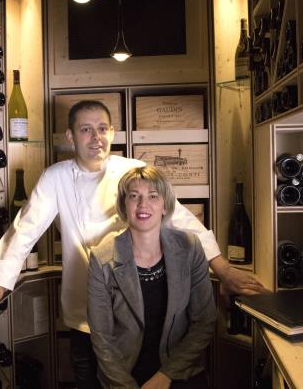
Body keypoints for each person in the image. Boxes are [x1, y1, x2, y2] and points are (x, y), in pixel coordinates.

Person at [0, 100, 264, 388]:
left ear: (112, 132)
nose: (96, 137)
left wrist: (224, 271)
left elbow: (180, 220)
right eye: (86, 129)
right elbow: (25, 231)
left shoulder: (131, 172)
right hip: (85, 318)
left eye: (102, 128)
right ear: (71, 137)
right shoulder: (56, 177)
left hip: (136, 312)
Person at [88, 166, 215, 388]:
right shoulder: (101, 259)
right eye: (134, 196)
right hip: (124, 375)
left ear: (165, 205)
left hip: (179, 371)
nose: (143, 205)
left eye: (153, 196)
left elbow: (204, 322)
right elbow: (102, 338)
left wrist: (165, 375)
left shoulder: (190, 248)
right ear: (124, 205)